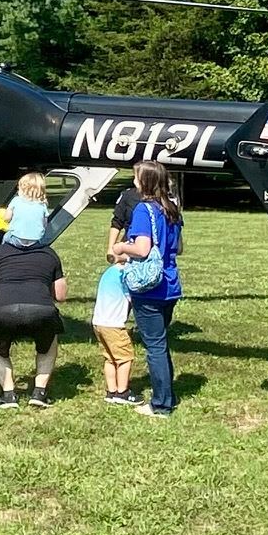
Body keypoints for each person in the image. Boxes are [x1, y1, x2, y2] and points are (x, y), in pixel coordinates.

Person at [115, 159, 183, 416]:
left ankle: (161, 404)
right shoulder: (172, 209)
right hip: (170, 284)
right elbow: (178, 247)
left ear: (144, 182)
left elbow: (142, 249)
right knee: (160, 343)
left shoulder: (144, 210)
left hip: (149, 288)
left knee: (154, 346)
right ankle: (167, 395)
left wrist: (121, 247)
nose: (133, 181)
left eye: (135, 177)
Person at [0, 233, 68, 408]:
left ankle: (8, 394)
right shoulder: (49, 254)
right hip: (42, 311)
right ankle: (39, 393)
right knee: (48, 344)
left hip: (4, 312)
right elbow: (61, 295)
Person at [91, 258, 135, 403]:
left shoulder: (109, 272)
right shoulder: (125, 275)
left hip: (99, 322)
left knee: (110, 358)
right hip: (114, 324)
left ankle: (111, 391)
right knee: (125, 358)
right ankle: (122, 392)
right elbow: (133, 297)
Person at [0, 172, 51, 247]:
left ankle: (3, 250)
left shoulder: (16, 200)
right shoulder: (42, 205)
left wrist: (3, 217)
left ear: (23, 189)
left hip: (16, 238)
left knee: (6, 237)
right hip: (35, 240)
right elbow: (44, 224)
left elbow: (7, 218)